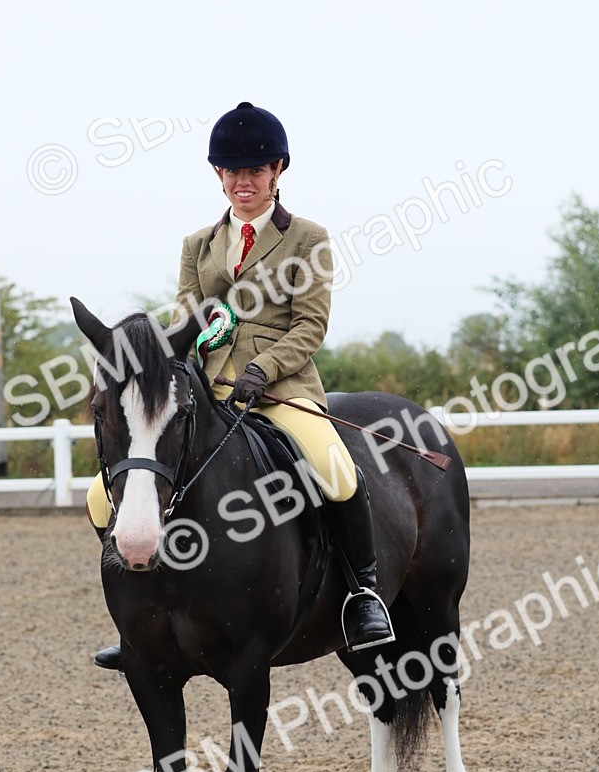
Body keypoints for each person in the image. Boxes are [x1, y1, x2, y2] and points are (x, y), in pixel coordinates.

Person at [88, 101, 394, 668]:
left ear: (277, 170)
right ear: (218, 175)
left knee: (336, 469)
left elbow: (311, 325)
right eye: (232, 171)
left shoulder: (307, 238)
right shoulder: (197, 244)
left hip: (281, 390)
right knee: (100, 494)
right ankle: (140, 620)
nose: (242, 181)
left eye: (254, 170)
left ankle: (362, 595)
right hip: (206, 392)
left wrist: (263, 369)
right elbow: (183, 323)